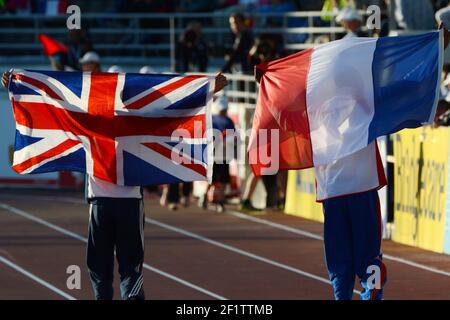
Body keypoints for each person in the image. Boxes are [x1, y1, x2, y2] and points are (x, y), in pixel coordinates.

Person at [2, 67, 229, 300]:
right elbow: (174, 106)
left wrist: (17, 85)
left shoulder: (85, 119)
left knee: (100, 268)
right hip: (129, 204)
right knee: (130, 268)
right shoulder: (141, 119)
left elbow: (50, 104)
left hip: (101, 204)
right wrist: (208, 88)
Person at [199, 95, 236, 212]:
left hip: (225, 153)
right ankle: (205, 196)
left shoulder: (229, 121)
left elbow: (233, 137)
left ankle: (220, 202)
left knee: (224, 179)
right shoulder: (212, 119)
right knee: (213, 178)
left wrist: (228, 139)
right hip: (214, 153)